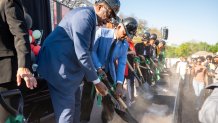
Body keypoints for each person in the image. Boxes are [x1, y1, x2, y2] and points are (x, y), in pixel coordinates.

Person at [37, 0, 121, 122]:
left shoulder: (90, 18)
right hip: (58, 67)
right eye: (109, 14)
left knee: (76, 104)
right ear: (100, 6)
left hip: (69, 68)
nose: (109, 20)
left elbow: (89, 51)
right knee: (67, 111)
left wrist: (97, 72)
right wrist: (96, 82)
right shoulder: (84, 17)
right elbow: (82, 53)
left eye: (112, 17)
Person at [80, 17, 138, 123]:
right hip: (93, 68)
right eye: (124, 33)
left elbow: (122, 64)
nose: (125, 37)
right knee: (88, 98)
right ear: (119, 26)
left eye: (128, 36)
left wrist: (119, 83)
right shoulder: (102, 33)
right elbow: (91, 51)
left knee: (110, 99)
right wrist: (98, 68)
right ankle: (83, 120)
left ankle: (107, 119)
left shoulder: (124, 45)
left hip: (108, 70)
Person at [0, 0, 37, 122]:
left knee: (9, 119)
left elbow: (20, 34)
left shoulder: (6, 1)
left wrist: (23, 66)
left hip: (5, 76)